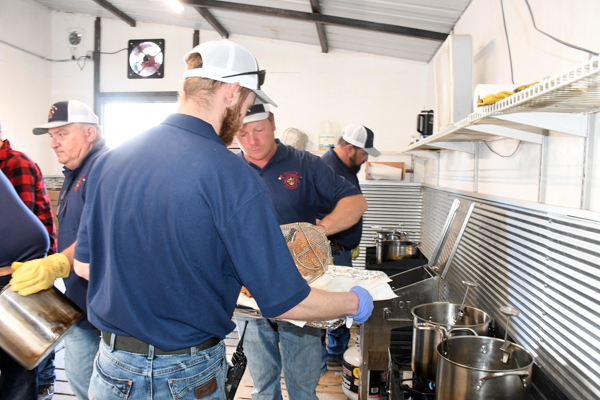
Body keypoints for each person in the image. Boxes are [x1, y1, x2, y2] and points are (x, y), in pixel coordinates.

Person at [44, 39, 370, 400]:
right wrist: (355, 302)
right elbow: (285, 300)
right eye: (246, 105)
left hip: (111, 368)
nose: (243, 119)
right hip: (184, 373)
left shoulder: (109, 161)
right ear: (231, 92)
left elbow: (85, 266)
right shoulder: (230, 173)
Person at [233, 102, 369, 400]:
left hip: (302, 288)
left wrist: (320, 230)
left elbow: (356, 203)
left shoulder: (305, 164)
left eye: (259, 130)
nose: (252, 141)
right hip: (249, 291)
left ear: (273, 124)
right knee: (262, 383)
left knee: (303, 384)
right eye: (242, 134)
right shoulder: (226, 168)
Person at [10, 100, 109, 400]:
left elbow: (99, 233)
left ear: (90, 133)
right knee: (81, 383)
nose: (54, 143)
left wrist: (55, 265)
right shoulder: (74, 171)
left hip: (103, 304)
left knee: (100, 388)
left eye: (63, 134)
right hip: (79, 300)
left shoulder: (103, 169)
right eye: (52, 136)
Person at [0, 123, 58, 399]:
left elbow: (25, 217)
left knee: (21, 359)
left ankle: (44, 380)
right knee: (20, 359)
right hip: (20, 262)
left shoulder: (17, 163)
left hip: (21, 267)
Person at [319, 124, 380, 371]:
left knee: (338, 306)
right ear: (350, 149)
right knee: (330, 307)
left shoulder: (345, 168)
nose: (366, 159)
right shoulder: (327, 169)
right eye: (364, 153)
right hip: (331, 253)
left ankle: (335, 353)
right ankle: (327, 358)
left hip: (340, 250)